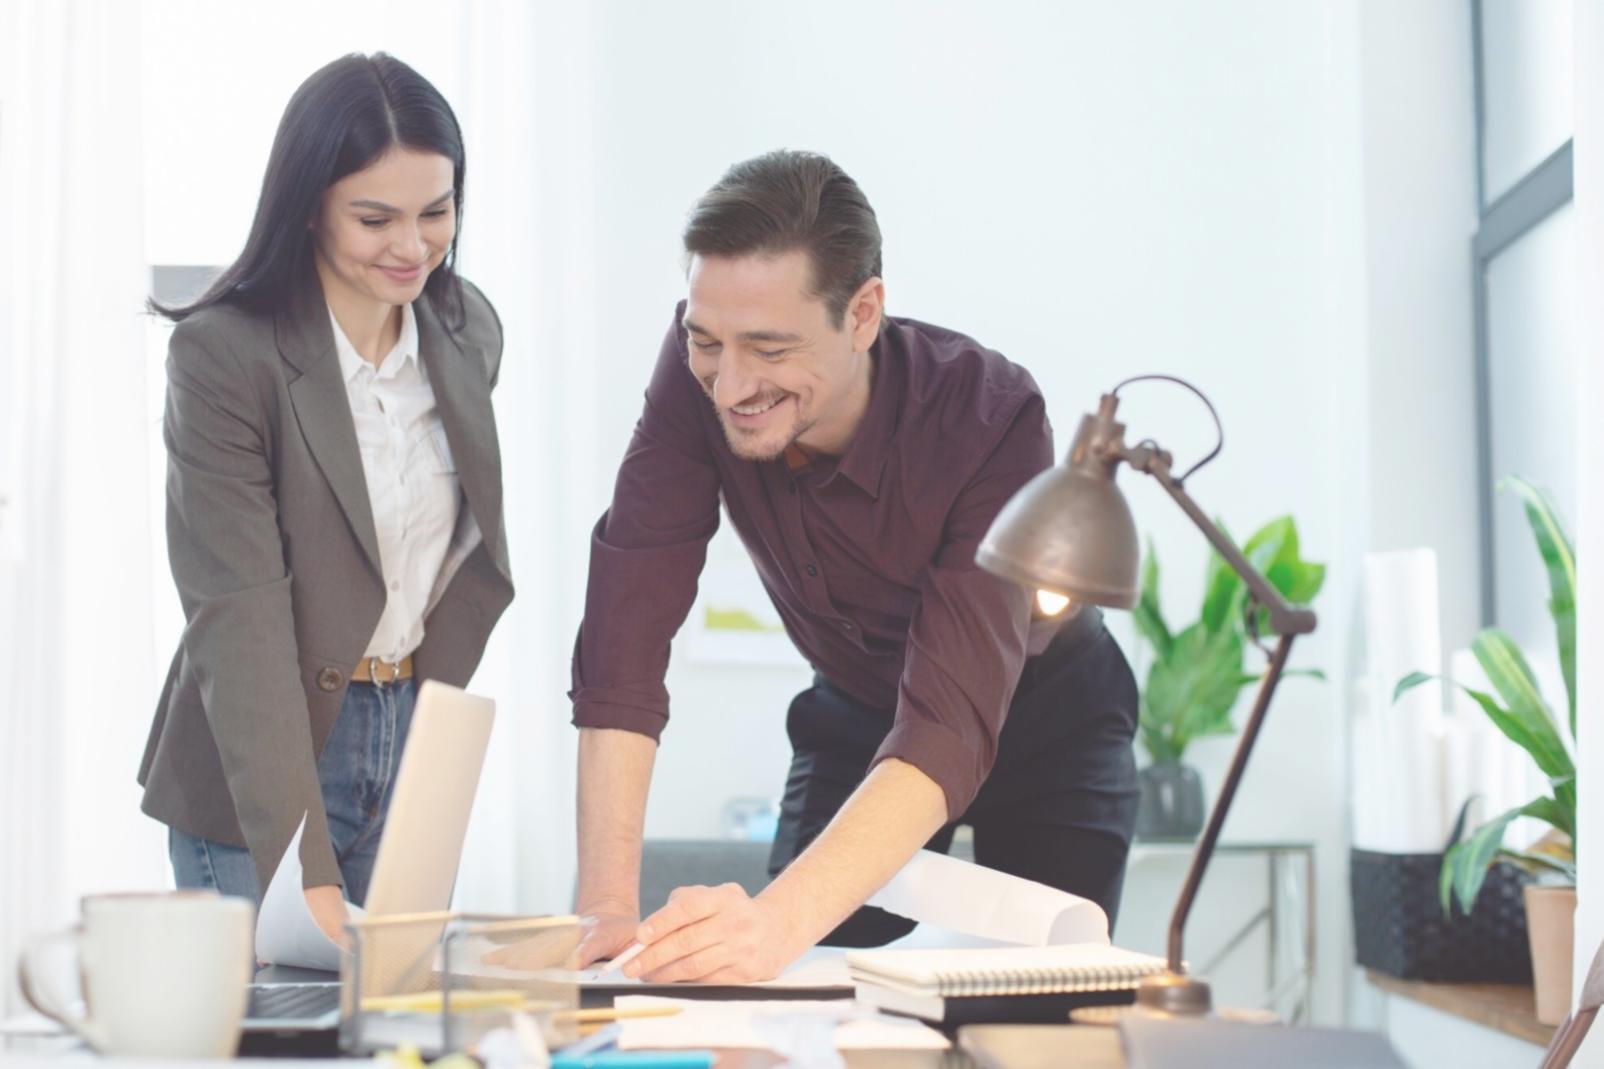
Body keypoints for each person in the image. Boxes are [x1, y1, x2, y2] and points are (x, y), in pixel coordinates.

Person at [565, 150, 1139, 982]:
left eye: (768, 347)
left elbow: (947, 719)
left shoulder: (990, 415)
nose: (730, 384)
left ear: (864, 312)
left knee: (1040, 1009)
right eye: (706, 341)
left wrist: (770, 925)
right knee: (788, 983)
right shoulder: (705, 372)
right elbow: (625, 631)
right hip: (859, 707)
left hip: (1046, 718)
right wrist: (606, 912)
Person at [138, 52, 512, 943]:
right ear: (309, 204)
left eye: (437, 211)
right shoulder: (225, 355)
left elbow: (451, 560)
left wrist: (428, 753)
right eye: (375, 217)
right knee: (274, 1030)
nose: (414, 246)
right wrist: (301, 866)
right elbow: (240, 613)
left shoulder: (468, 329)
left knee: (397, 1029)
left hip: (411, 731)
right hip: (264, 747)